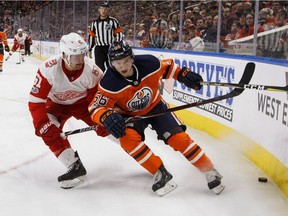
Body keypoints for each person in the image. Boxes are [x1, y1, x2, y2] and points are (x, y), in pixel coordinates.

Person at [88, 40, 225, 196]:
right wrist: (105, 116)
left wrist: (182, 74)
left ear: (132, 58)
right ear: (112, 64)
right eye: (118, 63)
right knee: (128, 140)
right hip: (131, 115)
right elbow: (95, 108)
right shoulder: (108, 83)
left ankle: (210, 170)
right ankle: (160, 173)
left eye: (126, 61)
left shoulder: (149, 63)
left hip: (155, 106)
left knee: (178, 139)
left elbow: (168, 68)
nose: (123, 66)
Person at [28, 32, 109, 189]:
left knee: (110, 126)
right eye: (74, 56)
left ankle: (137, 147)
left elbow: (98, 101)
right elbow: (35, 102)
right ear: (64, 54)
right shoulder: (48, 68)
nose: (80, 60)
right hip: (56, 104)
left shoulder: (93, 71)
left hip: (83, 104)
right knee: (48, 132)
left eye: (82, 55)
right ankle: (75, 166)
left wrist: (105, 119)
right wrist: (43, 124)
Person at [88, 1, 123, 71]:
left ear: (108, 10)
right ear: (99, 10)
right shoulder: (94, 23)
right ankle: (101, 82)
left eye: (105, 9)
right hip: (99, 48)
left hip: (110, 47)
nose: (103, 11)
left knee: (112, 67)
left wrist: (118, 43)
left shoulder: (113, 21)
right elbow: (92, 36)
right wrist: (90, 48)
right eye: (102, 9)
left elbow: (119, 33)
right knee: (99, 68)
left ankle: (113, 81)